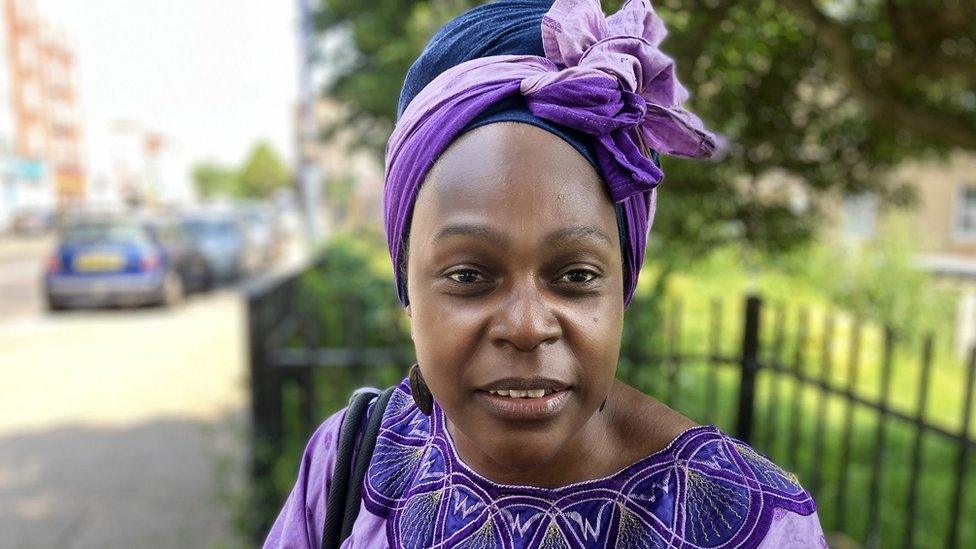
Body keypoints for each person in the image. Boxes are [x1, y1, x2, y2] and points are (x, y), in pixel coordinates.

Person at [265, 0, 826, 547]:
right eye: (468, 276)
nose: (528, 326)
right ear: (406, 281)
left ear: (622, 286)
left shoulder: (753, 524)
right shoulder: (348, 463)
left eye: (577, 276)